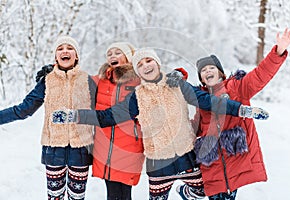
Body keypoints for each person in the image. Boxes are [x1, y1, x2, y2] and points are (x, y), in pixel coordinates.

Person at [52, 48, 269, 200]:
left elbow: (209, 102)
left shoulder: (177, 85)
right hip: (159, 165)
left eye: (149, 61)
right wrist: (74, 115)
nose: (146, 66)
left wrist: (243, 110)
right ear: (137, 71)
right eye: (140, 64)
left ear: (157, 63)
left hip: (186, 157)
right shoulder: (137, 97)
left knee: (205, 191)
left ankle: (186, 194)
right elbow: (107, 116)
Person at [184, 28, 290, 200]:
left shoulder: (237, 87)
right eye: (203, 71)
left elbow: (260, 76)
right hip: (212, 166)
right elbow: (195, 129)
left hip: (234, 162)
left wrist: (278, 52)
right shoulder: (201, 102)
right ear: (201, 79)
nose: (207, 71)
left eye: (211, 67)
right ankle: (192, 191)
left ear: (220, 72)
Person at [0, 35, 97, 200]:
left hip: (81, 149)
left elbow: (104, 112)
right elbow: (24, 109)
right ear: (55, 56)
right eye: (60, 48)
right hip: (54, 149)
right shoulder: (47, 81)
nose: (65, 51)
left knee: (77, 197)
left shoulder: (88, 81)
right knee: (54, 197)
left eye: (69, 48)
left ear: (77, 55)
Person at [92, 42, 145, 200]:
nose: (112, 56)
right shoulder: (100, 81)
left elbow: (160, 81)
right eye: (109, 54)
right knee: (112, 191)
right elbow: (76, 81)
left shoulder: (138, 80)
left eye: (117, 53)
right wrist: (50, 73)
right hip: (104, 143)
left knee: (124, 191)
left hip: (129, 143)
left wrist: (179, 74)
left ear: (128, 58)